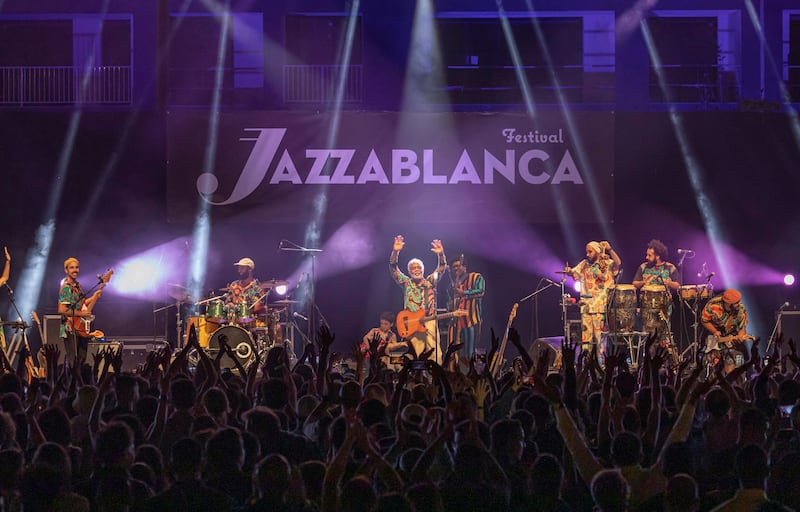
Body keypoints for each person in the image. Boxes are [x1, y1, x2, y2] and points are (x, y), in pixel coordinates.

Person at [390, 235, 447, 363]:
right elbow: (393, 269)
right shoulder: (406, 283)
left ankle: (434, 379)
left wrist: (441, 254)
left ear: (423, 269)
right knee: (416, 354)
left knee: (435, 352)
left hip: (429, 321)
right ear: (409, 272)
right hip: (412, 323)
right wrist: (395, 252)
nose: (416, 270)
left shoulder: (430, 282)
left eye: (419, 268)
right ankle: (418, 380)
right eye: (413, 268)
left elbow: (442, 268)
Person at [567, 241, 621, 351]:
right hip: (586, 306)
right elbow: (574, 273)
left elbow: (618, 263)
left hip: (600, 307)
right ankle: (587, 362)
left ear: (597, 251)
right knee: (586, 338)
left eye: (590, 252)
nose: (587, 254)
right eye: (586, 252)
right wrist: (569, 271)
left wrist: (610, 249)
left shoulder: (606, 263)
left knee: (600, 338)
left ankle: (600, 364)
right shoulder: (584, 264)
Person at [58, 257, 104, 363]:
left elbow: (82, 303)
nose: (75, 270)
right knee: (73, 362)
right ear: (66, 270)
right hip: (70, 328)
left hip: (81, 328)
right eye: (72, 268)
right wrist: (81, 313)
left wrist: (94, 297)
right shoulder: (66, 287)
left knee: (82, 360)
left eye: (77, 267)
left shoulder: (78, 286)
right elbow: (61, 309)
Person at [632, 239, 680, 336]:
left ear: (658, 256)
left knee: (663, 334)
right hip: (647, 307)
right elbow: (634, 284)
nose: (646, 257)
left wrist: (669, 282)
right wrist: (643, 282)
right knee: (648, 334)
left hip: (664, 307)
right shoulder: (643, 267)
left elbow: (678, 285)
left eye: (650, 255)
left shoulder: (670, 267)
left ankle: (663, 350)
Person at [701, 288, 750, 370]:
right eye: (736, 302)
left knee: (736, 358)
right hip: (713, 334)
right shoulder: (713, 306)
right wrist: (715, 331)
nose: (739, 304)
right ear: (728, 303)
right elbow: (704, 321)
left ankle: (732, 377)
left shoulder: (741, 310)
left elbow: (742, 327)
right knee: (713, 360)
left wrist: (740, 337)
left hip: (731, 335)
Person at [447, 254, 485, 361]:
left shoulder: (476, 277)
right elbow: (448, 303)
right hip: (455, 322)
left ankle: (470, 375)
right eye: (453, 267)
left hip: (471, 321)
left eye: (458, 266)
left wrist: (464, 292)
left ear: (465, 266)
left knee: (470, 351)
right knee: (453, 353)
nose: (455, 268)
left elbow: (480, 291)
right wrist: (449, 305)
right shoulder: (451, 286)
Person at [225, 257, 265, 324]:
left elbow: (259, 307)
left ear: (249, 269)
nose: (239, 270)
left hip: (251, 322)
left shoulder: (257, 287)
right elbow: (227, 301)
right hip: (233, 321)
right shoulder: (234, 285)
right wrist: (230, 305)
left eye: (242, 268)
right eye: (239, 268)